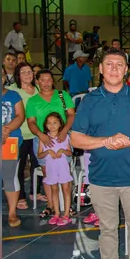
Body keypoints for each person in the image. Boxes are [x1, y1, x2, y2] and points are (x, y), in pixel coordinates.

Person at [71, 48, 130, 259]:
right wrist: (106, 141)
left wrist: (127, 143)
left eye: (119, 65)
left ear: (126, 70)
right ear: (100, 69)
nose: (114, 69)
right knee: (107, 229)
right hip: (101, 178)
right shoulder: (89, 101)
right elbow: (76, 139)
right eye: (109, 64)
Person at [25, 70, 76, 220]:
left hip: (62, 138)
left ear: (53, 81)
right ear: (38, 81)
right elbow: (31, 122)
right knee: (48, 175)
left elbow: (71, 114)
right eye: (43, 80)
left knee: (65, 174)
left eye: (49, 80)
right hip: (42, 141)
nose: (46, 83)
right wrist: (41, 135)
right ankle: (51, 206)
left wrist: (64, 131)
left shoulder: (62, 96)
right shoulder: (33, 101)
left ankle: (67, 206)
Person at [8, 62, 38, 208]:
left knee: (36, 164)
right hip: (18, 135)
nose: (28, 74)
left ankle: (35, 192)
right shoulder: (12, 91)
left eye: (30, 71)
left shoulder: (37, 89)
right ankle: (20, 197)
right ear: (18, 75)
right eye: (24, 72)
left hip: (36, 134)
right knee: (18, 168)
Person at [38, 112, 74, 226]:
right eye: (49, 123)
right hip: (51, 168)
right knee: (54, 190)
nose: (52, 125)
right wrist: (48, 151)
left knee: (66, 189)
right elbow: (39, 155)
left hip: (62, 167)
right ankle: (57, 213)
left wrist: (62, 151)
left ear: (60, 124)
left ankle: (66, 214)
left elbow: (70, 153)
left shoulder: (64, 137)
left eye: (55, 123)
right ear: (45, 125)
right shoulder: (44, 138)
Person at [2, 75, 25, 227]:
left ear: (3, 77)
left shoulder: (13, 95)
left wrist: (6, 129)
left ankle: (12, 212)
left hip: (10, 141)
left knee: (9, 176)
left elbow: (20, 116)